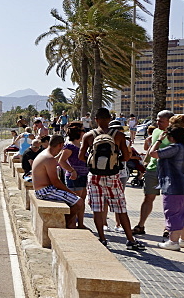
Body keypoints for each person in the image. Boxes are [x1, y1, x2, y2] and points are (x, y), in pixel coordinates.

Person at [80, 107, 145, 250]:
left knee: (97, 209)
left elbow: (81, 156)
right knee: (120, 208)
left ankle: (102, 239)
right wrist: (114, 160)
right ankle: (130, 240)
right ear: (109, 119)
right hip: (113, 176)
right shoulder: (119, 135)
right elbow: (126, 157)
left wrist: (94, 161)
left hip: (95, 176)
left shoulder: (89, 136)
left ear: (95, 120)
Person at [147, 125, 184, 250]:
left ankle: (173, 242)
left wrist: (158, 140)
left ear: (172, 137)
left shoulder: (175, 148)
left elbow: (153, 154)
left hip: (175, 187)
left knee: (173, 214)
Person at [135, 110, 174, 237]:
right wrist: (145, 163)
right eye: (157, 120)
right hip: (153, 169)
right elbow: (151, 148)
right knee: (148, 198)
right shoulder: (157, 131)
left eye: (161, 120)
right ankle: (140, 225)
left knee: (169, 200)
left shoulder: (177, 134)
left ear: (170, 121)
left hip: (169, 171)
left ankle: (168, 228)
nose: (157, 122)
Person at [32, 135, 84, 224]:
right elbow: (55, 182)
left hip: (41, 190)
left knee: (73, 201)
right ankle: (65, 222)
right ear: (60, 145)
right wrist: (70, 192)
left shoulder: (44, 154)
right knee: (79, 202)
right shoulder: (49, 158)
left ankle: (70, 223)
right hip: (45, 191)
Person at [60, 125, 89, 229]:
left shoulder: (80, 146)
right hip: (74, 177)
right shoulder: (70, 147)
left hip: (83, 176)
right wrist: (72, 171)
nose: (84, 132)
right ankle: (71, 224)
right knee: (75, 202)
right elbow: (61, 161)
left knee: (82, 201)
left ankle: (80, 224)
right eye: (83, 131)